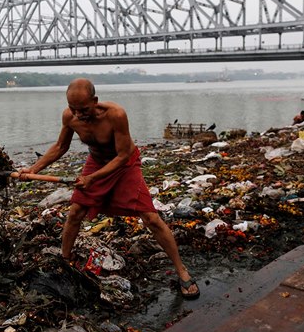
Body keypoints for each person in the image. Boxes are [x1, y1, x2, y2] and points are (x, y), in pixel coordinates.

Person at [20, 78, 200, 299]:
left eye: (83, 109)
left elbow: (124, 155)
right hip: (96, 162)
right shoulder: (70, 117)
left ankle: (182, 271)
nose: (78, 115)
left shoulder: (116, 115)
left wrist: (92, 179)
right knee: (75, 212)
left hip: (125, 165)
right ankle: (64, 263)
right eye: (73, 109)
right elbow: (60, 147)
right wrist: (32, 169)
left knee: (151, 218)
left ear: (95, 101)